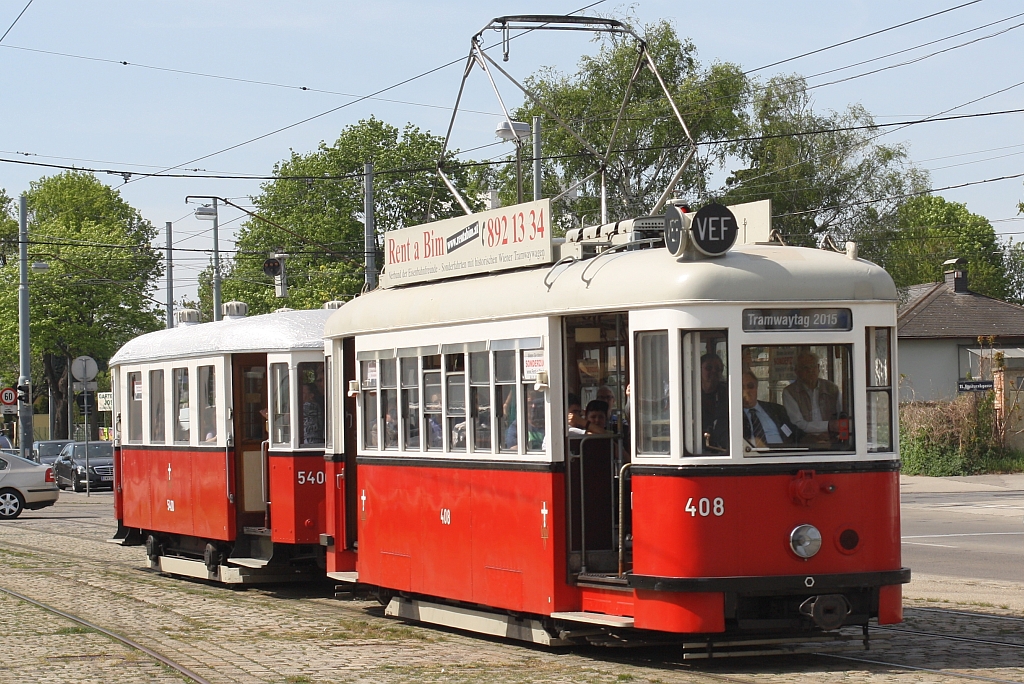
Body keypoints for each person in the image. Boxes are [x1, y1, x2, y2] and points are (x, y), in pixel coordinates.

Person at [782, 351, 845, 445]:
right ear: (797, 371)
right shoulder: (790, 392)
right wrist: (828, 426)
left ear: (819, 368)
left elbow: (842, 415)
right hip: (804, 442)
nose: (810, 371)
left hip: (832, 440)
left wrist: (833, 432)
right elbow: (797, 423)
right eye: (805, 368)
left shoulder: (831, 388)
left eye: (813, 366)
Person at [741, 371, 798, 448]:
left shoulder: (777, 410)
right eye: (742, 388)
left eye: (750, 386)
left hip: (783, 456)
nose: (747, 391)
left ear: (757, 387)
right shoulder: (732, 414)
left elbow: (794, 434)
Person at [700, 353, 729, 451]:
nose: (713, 371)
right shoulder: (688, 393)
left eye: (718, 369)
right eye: (708, 368)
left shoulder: (727, 393)